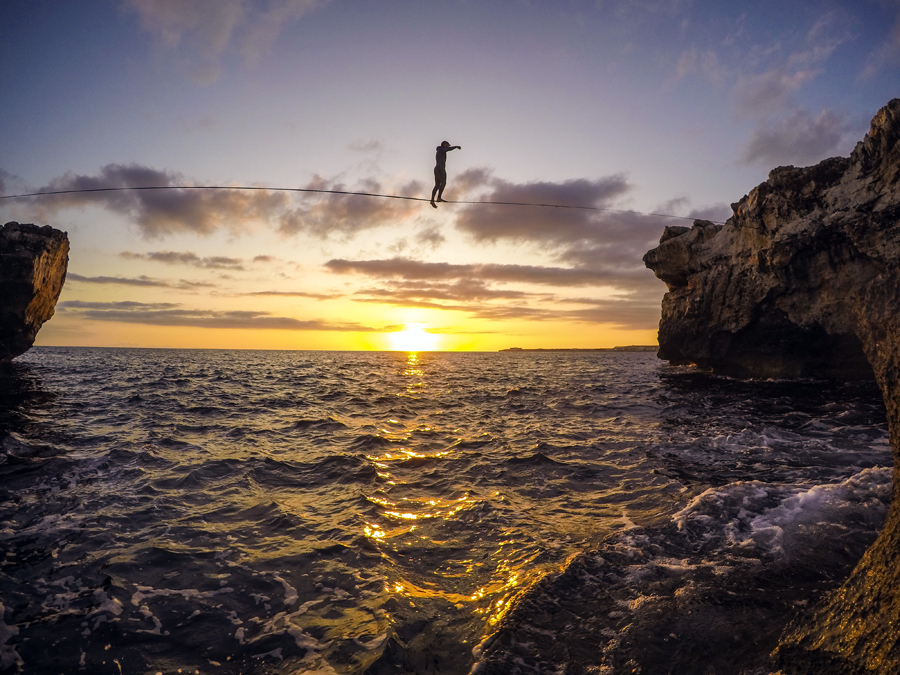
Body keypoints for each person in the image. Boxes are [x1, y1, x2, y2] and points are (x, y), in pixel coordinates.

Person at [430, 140, 461, 207]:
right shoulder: (441, 149)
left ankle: (432, 200)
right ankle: (438, 198)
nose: (448, 146)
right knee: (443, 183)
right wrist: (455, 147)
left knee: (437, 185)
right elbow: (446, 149)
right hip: (440, 168)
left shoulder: (439, 150)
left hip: (436, 168)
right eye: (447, 145)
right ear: (444, 144)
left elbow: (446, 149)